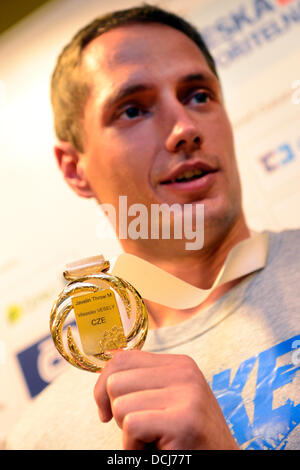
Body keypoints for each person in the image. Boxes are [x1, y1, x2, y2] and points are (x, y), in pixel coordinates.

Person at [5, 4, 300, 450]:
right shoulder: (39, 438)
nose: (184, 127)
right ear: (73, 168)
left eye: (198, 95)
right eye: (133, 110)